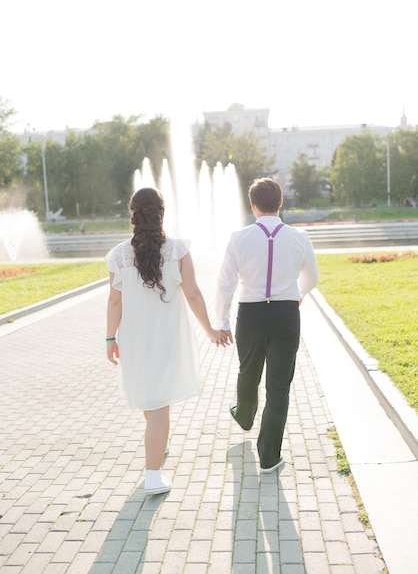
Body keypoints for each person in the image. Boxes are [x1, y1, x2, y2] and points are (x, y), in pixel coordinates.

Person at [106, 187, 227, 495]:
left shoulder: (119, 255)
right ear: (161, 212)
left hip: (133, 339)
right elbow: (193, 293)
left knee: (152, 399)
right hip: (167, 338)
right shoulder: (176, 250)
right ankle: (152, 475)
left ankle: (157, 443)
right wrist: (210, 330)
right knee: (159, 405)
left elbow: (114, 303)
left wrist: (110, 338)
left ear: (133, 213)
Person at [215, 177, 319, 473]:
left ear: (253, 205)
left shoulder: (238, 238)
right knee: (279, 386)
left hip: (249, 314)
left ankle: (245, 415)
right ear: (281, 203)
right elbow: (312, 277)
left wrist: (221, 321)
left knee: (248, 370)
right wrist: (297, 295)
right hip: (286, 315)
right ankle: (269, 456)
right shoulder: (299, 237)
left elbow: (225, 283)